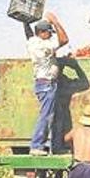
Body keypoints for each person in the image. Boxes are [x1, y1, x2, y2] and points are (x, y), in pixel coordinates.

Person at [23, 12, 68, 156]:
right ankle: (37, 145)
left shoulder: (33, 42)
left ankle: (56, 146)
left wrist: (25, 23)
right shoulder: (45, 46)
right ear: (41, 33)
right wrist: (55, 21)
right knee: (46, 115)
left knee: (53, 115)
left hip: (42, 83)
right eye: (49, 32)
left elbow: (29, 35)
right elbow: (64, 40)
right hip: (47, 84)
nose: (51, 35)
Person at [50, 56, 90, 153]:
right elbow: (84, 83)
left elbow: (84, 84)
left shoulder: (53, 80)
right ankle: (58, 147)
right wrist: (76, 67)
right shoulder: (62, 81)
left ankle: (57, 146)